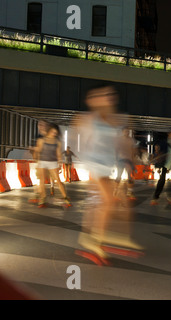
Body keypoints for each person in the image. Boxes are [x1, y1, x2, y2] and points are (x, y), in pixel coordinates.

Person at [72, 84, 142, 261]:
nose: (109, 97)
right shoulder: (87, 118)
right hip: (95, 165)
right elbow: (74, 140)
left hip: (107, 166)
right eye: (103, 94)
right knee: (108, 201)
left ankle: (96, 237)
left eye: (110, 94)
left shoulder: (113, 119)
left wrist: (129, 156)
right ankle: (94, 239)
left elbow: (121, 142)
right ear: (92, 100)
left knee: (104, 204)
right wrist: (85, 158)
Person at [34, 123, 71, 208]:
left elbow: (58, 154)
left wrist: (60, 164)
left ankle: (66, 198)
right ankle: (42, 199)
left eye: (56, 132)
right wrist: (37, 161)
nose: (54, 134)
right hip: (42, 162)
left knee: (58, 181)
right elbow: (38, 150)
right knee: (42, 181)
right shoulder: (41, 140)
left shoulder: (57, 142)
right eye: (52, 132)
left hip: (53, 162)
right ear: (48, 131)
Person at [150, 131, 171, 206]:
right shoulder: (165, 143)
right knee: (162, 180)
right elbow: (159, 149)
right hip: (166, 164)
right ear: (168, 135)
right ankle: (155, 197)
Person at [114, 128, 137, 201]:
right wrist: (116, 160)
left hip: (129, 160)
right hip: (121, 160)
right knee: (119, 176)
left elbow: (133, 151)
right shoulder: (119, 140)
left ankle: (130, 192)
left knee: (130, 176)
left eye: (127, 131)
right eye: (125, 131)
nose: (126, 132)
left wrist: (133, 161)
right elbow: (116, 150)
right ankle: (115, 191)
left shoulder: (131, 140)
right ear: (122, 132)